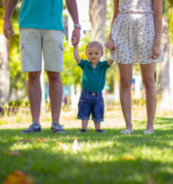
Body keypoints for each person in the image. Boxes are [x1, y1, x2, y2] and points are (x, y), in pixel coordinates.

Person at [3, 0, 81, 133]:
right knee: (32, 74)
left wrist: (77, 25)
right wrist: (7, 19)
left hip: (54, 25)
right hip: (28, 24)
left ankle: (56, 123)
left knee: (54, 74)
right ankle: (35, 123)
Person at [106, 0, 164, 135]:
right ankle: (128, 126)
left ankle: (150, 126)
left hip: (147, 29)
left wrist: (157, 42)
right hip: (122, 31)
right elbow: (115, 14)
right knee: (125, 80)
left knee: (149, 81)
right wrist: (111, 37)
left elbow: (158, 15)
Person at [73, 41, 113, 133]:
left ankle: (98, 129)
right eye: (90, 53)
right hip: (85, 95)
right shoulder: (85, 65)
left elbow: (111, 61)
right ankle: (84, 129)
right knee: (84, 111)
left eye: (96, 53)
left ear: (101, 54)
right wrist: (75, 46)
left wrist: (112, 50)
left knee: (98, 111)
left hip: (98, 95)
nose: (93, 56)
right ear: (86, 54)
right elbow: (77, 58)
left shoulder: (103, 66)